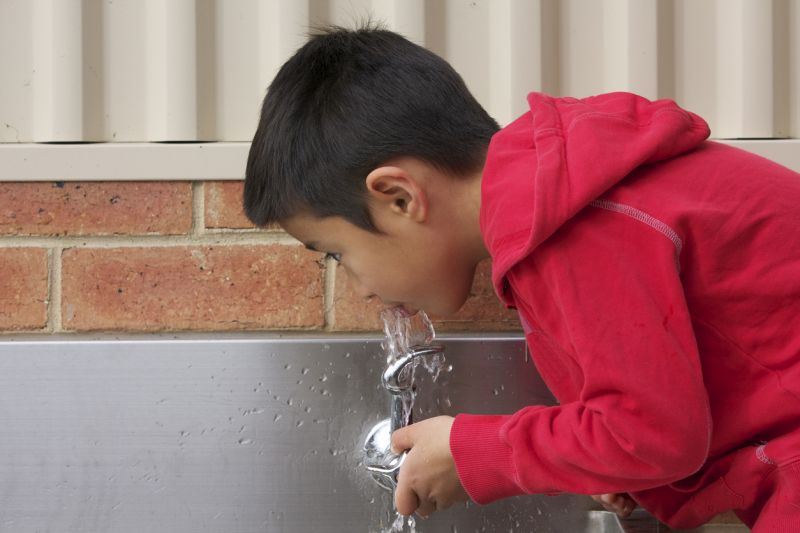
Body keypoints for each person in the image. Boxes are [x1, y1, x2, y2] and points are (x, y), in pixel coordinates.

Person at [243, 25, 800, 532]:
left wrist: (473, 452)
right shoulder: (558, 207)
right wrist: (612, 458)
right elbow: (659, 421)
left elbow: (656, 434)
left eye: (337, 253)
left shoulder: (580, 227)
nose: (359, 287)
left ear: (399, 197)